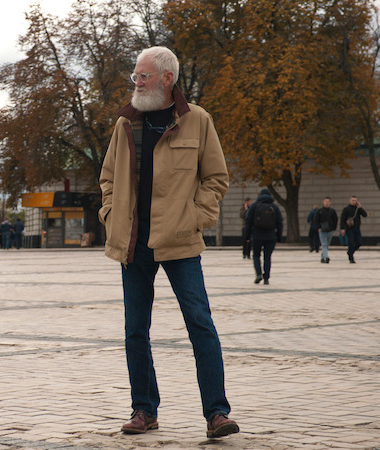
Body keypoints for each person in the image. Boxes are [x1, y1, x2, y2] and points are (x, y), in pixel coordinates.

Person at [98, 46, 238, 439]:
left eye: (143, 76)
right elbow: (107, 177)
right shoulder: (125, 124)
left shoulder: (197, 121)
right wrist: (110, 214)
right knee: (134, 331)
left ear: (167, 78)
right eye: (135, 76)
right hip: (133, 242)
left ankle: (217, 414)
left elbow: (216, 178)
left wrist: (197, 217)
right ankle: (144, 410)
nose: (136, 82)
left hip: (179, 240)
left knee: (200, 325)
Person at [244, 189, 283, 285]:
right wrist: (279, 237)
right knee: (267, 257)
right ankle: (266, 278)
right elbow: (280, 222)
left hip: (257, 235)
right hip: (271, 236)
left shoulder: (254, 206)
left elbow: (248, 221)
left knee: (256, 255)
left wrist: (247, 236)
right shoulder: (274, 207)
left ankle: (258, 274)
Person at [339, 196, 367, 263]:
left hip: (357, 228)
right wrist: (342, 228)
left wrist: (360, 208)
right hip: (349, 228)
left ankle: (350, 252)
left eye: (355, 200)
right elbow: (342, 219)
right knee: (351, 243)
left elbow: (365, 215)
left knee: (359, 243)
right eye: (352, 200)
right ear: (349, 201)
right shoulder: (346, 209)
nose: (353, 201)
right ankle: (351, 258)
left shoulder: (358, 209)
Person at [313, 197, 338, 263]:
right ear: (323, 202)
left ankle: (322, 257)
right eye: (325, 201)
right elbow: (316, 220)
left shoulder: (332, 211)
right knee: (324, 244)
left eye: (328, 201)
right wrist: (318, 227)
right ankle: (326, 257)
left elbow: (335, 220)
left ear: (330, 202)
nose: (327, 203)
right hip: (322, 230)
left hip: (330, 230)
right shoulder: (319, 211)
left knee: (327, 244)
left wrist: (333, 228)